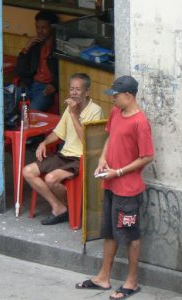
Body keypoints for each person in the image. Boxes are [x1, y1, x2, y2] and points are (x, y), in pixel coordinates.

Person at [75, 75, 154, 300]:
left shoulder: (140, 122)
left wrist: (118, 172)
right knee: (109, 231)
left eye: (116, 96)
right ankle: (103, 276)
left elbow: (147, 156)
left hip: (128, 190)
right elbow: (110, 137)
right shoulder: (116, 113)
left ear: (129, 96)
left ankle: (132, 281)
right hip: (110, 184)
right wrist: (102, 158)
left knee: (130, 235)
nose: (113, 100)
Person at [22, 73, 103, 225]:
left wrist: (73, 114)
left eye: (78, 89)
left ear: (87, 92)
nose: (73, 93)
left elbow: (86, 141)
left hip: (81, 158)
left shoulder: (95, 111)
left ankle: (74, 203)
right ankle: (59, 207)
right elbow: (58, 133)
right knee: (27, 171)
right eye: (71, 89)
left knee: (50, 178)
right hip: (64, 155)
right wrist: (44, 143)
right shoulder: (69, 109)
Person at [15, 10, 59, 112]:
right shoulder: (35, 46)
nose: (40, 31)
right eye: (38, 27)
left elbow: (64, 74)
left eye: (44, 28)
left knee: (32, 110)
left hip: (45, 89)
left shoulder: (58, 48)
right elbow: (20, 71)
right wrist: (26, 49)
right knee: (7, 99)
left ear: (52, 27)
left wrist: (54, 85)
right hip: (30, 84)